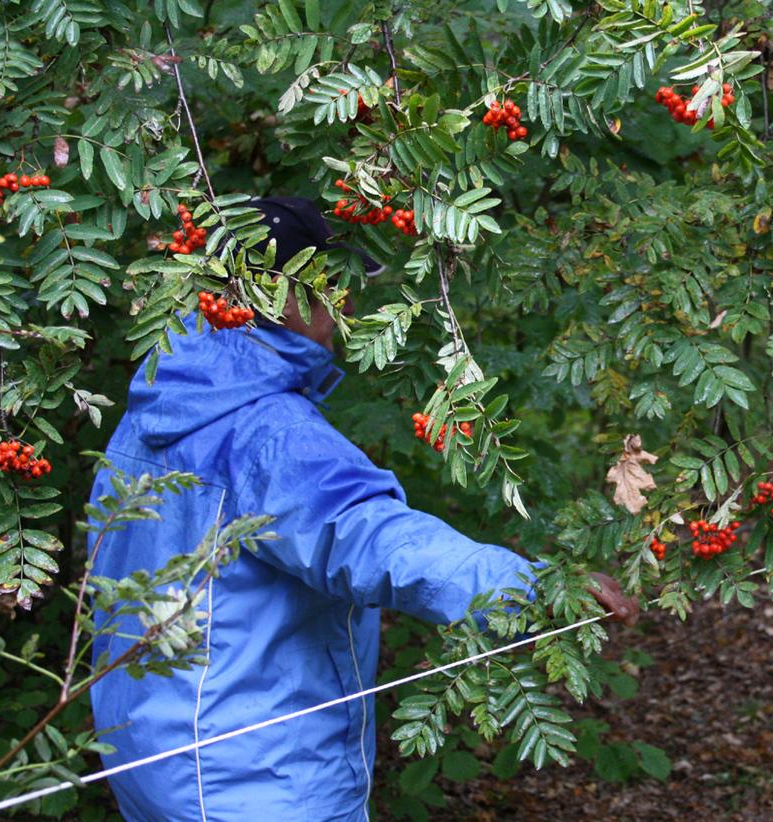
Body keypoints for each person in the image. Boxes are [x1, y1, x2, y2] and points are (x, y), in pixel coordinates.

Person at [88, 197, 639, 821]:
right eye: (325, 288)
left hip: (153, 760)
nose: (344, 306)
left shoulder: (155, 407)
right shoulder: (271, 433)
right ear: (275, 295)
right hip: (254, 780)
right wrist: (534, 590)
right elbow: (376, 542)